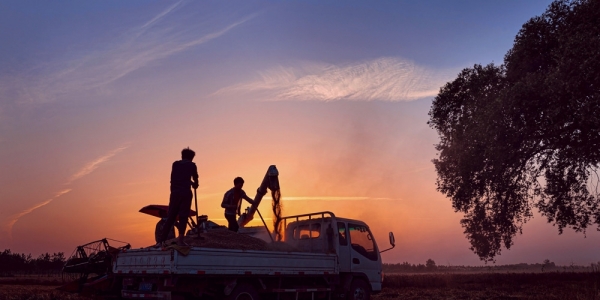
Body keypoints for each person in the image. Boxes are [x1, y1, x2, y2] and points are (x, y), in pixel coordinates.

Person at [157, 148, 199, 247]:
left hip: (174, 193)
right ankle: (180, 240)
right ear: (191, 157)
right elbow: (196, 179)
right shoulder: (192, 165)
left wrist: (190, 182)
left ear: (182, 156)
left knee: (170, 217)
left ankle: (161, 241)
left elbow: (177, 178)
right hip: (185, 193)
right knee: (183, 216)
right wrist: (194, 184)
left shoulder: (175, 164)